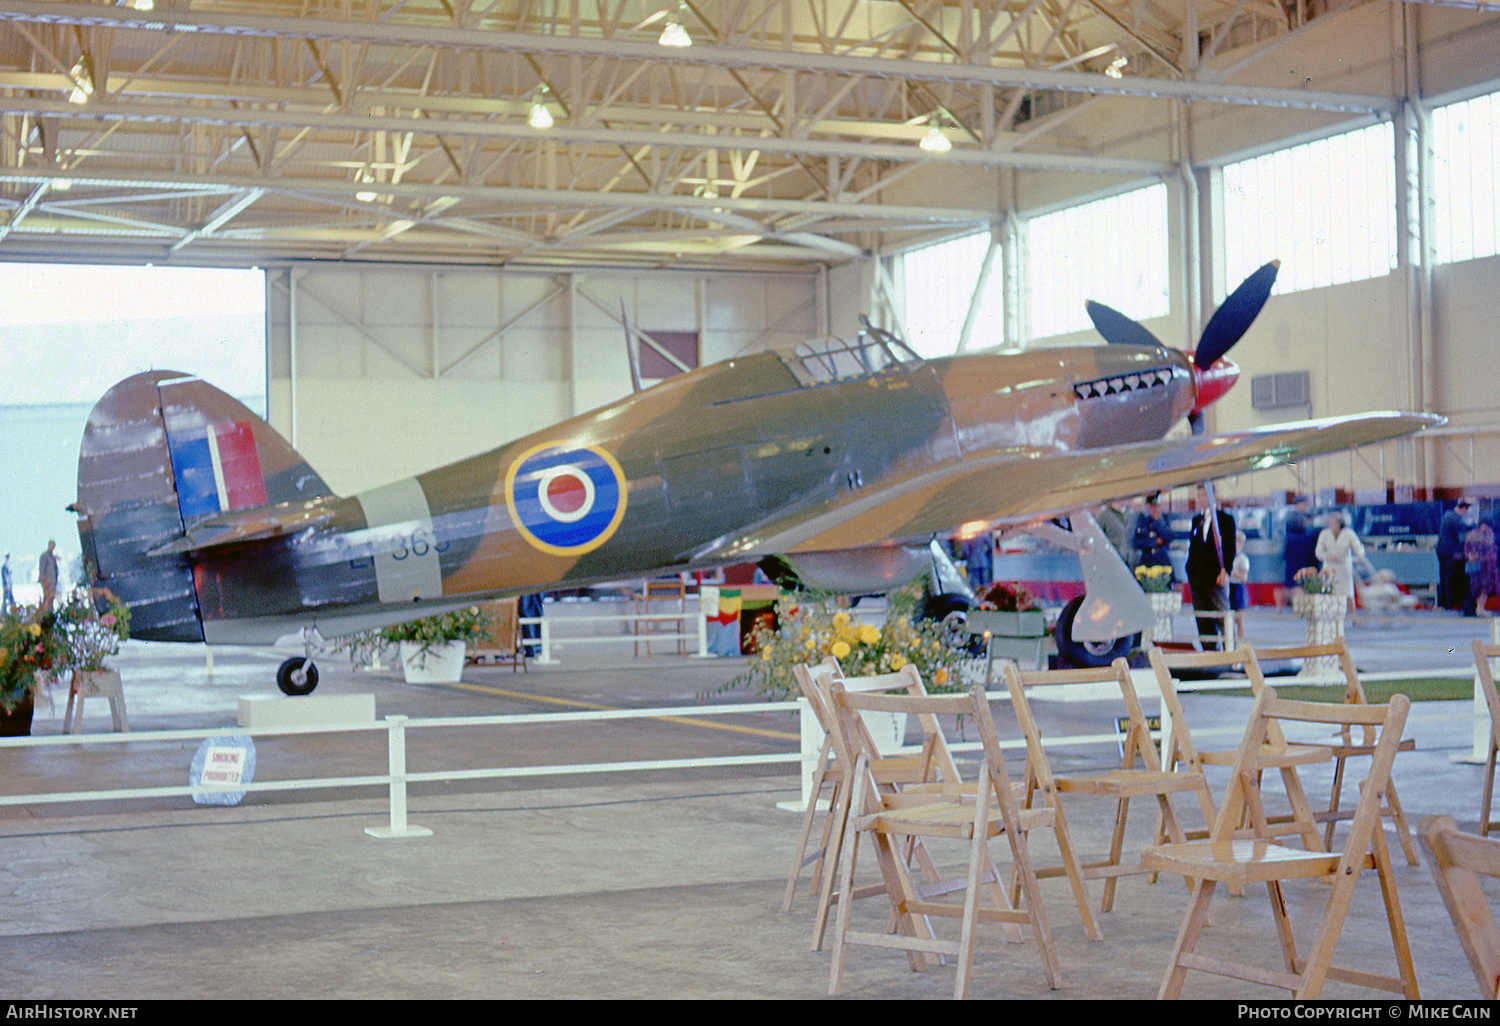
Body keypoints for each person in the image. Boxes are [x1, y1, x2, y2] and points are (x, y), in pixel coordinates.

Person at [1186, 485, 1236, 651]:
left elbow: (1230, 548)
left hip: (1215, 576)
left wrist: (1226, 571)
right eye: (1198, 496)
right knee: (1202, 619)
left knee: (1222, 615)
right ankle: (1209, 652)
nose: (1200, 499)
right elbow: (1193, 548)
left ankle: (1232, 652)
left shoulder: (1225, 520)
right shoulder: (1196, 521)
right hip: (1197, 579)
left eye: (1203, 496)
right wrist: (1190, 571)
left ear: (1213, 496)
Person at [1315, 512, 1373, 618]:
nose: (1331, 525)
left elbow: (1357, 546)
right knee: (1329, 593)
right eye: (1330, 523)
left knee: (1348, 593)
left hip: (1344, 567)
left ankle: (1353, 616)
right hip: (1329, 567)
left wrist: (1360, 555)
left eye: (1333, 523)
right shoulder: (1324, 534)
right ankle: (1330, 616)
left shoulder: (1348, 533)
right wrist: (1328, 556)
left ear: (1339, 523)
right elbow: (1318, 552)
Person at [1437, 499, 1473, 613]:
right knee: (1451, 579)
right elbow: (1463, 535)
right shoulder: (1455, 518)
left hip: (1442, 552)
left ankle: (1444, 604)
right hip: (1451, 554)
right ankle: (1450, 604)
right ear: (1463, 508)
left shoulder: (1447, 515)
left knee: (1444, 578)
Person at [1281, 496, 1318, 607]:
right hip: (1300, 552)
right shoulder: (1294, 517)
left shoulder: (1305, 516)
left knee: (1296, 580)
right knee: (1298, 581)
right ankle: (1300, 603)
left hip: (1299, 553)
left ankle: (1297, 602)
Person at [1464, 520, 1499, 617]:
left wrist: (1470, 556)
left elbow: (1466, 549)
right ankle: (1480, 608)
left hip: (1474, 566)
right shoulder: (1488, 533)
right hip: (1486, 567)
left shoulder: (1471, 534)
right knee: (1485, 588)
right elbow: (1491, 552)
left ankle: (1479, 608)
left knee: (1476, 587)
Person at [1132, 493, 1173, 571]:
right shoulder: (1142, 519)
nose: (1154, 508)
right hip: (1146, 560)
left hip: (1161, 559)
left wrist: (1158, 521)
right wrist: (1154, 542)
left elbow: (1169, 537)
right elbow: (1136, 542)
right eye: (1151, 505)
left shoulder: (1163, 519)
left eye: (1156, 505)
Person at [1229, 529, 1250, 641]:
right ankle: (1231, 641)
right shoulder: (1227, 558)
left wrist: (1233, 572)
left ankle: (1240, 642)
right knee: (1228, 619)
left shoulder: (1243, 559)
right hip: (1228, 588)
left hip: (1238, 589)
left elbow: (1244, 578)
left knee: (1239, 619)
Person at [37, 540, 58, 616]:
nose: (52, 547)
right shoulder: (44, 556)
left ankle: (50, 615)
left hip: (53, 583)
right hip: (47, 583)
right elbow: (42, 568)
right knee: (47, 599)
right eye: (51, 545)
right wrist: (43, 580)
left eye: (53, 546)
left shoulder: (52, 557)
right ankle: (45, 615)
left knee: (51, 600)